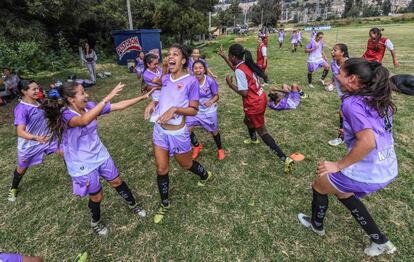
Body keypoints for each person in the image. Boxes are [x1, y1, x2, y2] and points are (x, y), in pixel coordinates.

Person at [298, 58, 398, 257]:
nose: (336, 75)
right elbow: (375, 131)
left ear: (352, 79)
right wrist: (350, 133)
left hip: (368, 170)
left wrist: (338, 165)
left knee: (319, 184)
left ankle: (316, 225)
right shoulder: (378, 97)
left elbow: (368, 142)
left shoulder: (351, 103)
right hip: (387, 167)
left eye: (340, 73)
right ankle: (380, 240)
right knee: (343, 192)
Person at [42, 82, 153, 235]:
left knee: (117, 181)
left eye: (84, 91)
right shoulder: (66, 115)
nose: (86, 95)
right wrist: (107, 98)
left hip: (100, 154)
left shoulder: (90, 107)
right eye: (82, 93)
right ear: (71, 99)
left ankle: (133, 205)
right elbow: (83, 121)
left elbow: (118, 106)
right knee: (97, 196)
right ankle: (95, 222)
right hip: (82, 163)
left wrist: (143, 97)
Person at [144, 44, 214, 224]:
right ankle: (165, 204)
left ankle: (204, 174)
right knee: (161, 169)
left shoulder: (191, 81)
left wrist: (176, 109)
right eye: (168, 55)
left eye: (175, 54)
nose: (170, 57)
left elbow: (193, 110)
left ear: (183, 60)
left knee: (185, 164)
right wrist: (153, 103)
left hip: (178, 134)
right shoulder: (166, 78)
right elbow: (161, 93)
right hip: (160, 131)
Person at [218, 44, 294, 174]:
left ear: (233, 56)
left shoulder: (239, 70)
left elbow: (244, 93)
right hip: (261, 97)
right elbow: (236, 69)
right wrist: (224, 57)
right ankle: (253, 139)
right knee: (247, 120)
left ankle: (284, 158)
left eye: (229, 55)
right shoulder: (245, 63)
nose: (229, 57)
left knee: (263, 131)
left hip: (253, 103)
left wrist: (230, 85)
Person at [8, 80, 59, 202]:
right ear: (24, 91)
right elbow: (20, 132)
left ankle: (78, 177)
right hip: (30, 144)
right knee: (22, 167)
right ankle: (13, 188)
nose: (38, 91)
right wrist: (36, 138)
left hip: (47, 139)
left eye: (38, 88)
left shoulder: (40, 102)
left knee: (65, 151)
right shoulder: (21, 109)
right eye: (34, 89)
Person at [187, 60, 225, 160]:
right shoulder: (190, 81)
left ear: (204, 70)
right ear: (192, 70)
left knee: (214, 130)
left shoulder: (210, 81)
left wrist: (211, 101)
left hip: (209, 110)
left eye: (200, 68)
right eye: (195, 68)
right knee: (187, 130)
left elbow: (216, 96)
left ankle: (220, 149)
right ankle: (197, 146)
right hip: (195, 110)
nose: (198, 70)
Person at [327, 44, 349, 147]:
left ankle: (342, 137)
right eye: (332, 50)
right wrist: (331, 81)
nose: (332, 52)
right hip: (342, 94)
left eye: (335, 50)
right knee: (345, 113)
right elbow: (335, 74)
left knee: (343, 112)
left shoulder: (349, 64)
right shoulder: (333, 62)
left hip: (351, 93)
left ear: (342, 53)